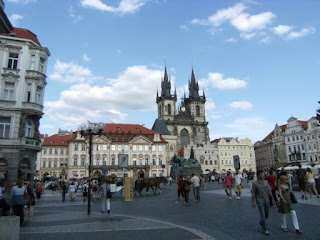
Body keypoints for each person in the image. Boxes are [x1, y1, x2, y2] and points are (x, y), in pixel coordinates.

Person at [252, 170, 275, 235]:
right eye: (262, 174)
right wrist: (253, 202)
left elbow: (269, 191)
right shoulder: (255, 183)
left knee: (267, 214)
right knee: (262, 214)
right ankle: (265, 229)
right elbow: (253, 193)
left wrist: (272, 199)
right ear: (258, 175)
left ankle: (262, 222)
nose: (263, 175)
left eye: (263, 174)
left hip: (266, 200)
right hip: (259, 201)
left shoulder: (266, 182)